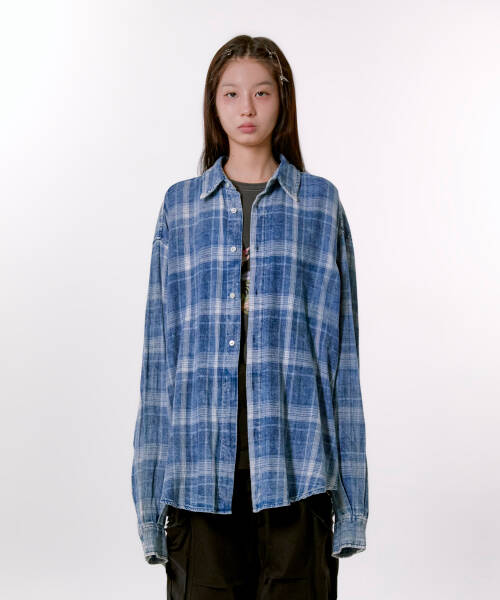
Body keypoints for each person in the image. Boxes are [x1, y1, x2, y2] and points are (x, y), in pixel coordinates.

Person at [131, 34, 369, 599]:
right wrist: (150, 500)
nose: (247, 108)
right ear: (213, 105)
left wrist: (352, 503)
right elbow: (158, 360)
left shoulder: (319, 205)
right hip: (197, 477)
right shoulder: (181, 207)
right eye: (231, 93)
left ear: (282, 101)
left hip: (298, 473)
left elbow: (344, 360)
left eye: (261, 92)